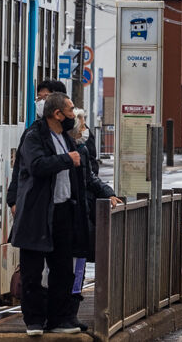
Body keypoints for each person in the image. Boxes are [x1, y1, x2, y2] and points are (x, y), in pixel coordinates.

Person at [9, 92, 120, 336]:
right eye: (70, 110)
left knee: (62, 270)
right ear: (57, 114)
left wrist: (107, 192)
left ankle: (59, 319)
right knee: (32, 271)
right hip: (37, 214)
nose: (74, 115)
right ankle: (34, 320)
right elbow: (36, 166)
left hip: (64, 212)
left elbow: (86, 176)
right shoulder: (34, 136)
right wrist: (67, 160)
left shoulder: (67, 139)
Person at [67, 108, 117, 327]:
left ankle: (71, 312)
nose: (85, 129)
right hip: (66, 216)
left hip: (81, 215)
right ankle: (59, 313)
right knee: (61, 268)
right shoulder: (62, 148)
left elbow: (90, 178)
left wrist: (109, 193)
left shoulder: (83, 149)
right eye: (82, 124)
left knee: (78, 265)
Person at [7, 79, 67, 213]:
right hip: (40, 204)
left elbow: (87, 173)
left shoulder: (71, 134)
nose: (41, 102)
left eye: (46, 97)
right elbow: (21, 167)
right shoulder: (33, 133)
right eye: (39, 98)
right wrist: (13, 200)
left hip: (65, 206)